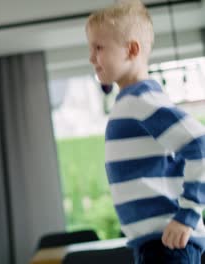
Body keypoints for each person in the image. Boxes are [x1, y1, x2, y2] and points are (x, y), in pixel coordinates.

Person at [86, 0, 205, 263]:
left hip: (169, 242)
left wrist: (187, 216)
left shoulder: (143, 100)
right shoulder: (129, 102)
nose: (91, 58)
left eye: (98, 48)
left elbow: (200, 145)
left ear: (131, 49)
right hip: (153, 243)